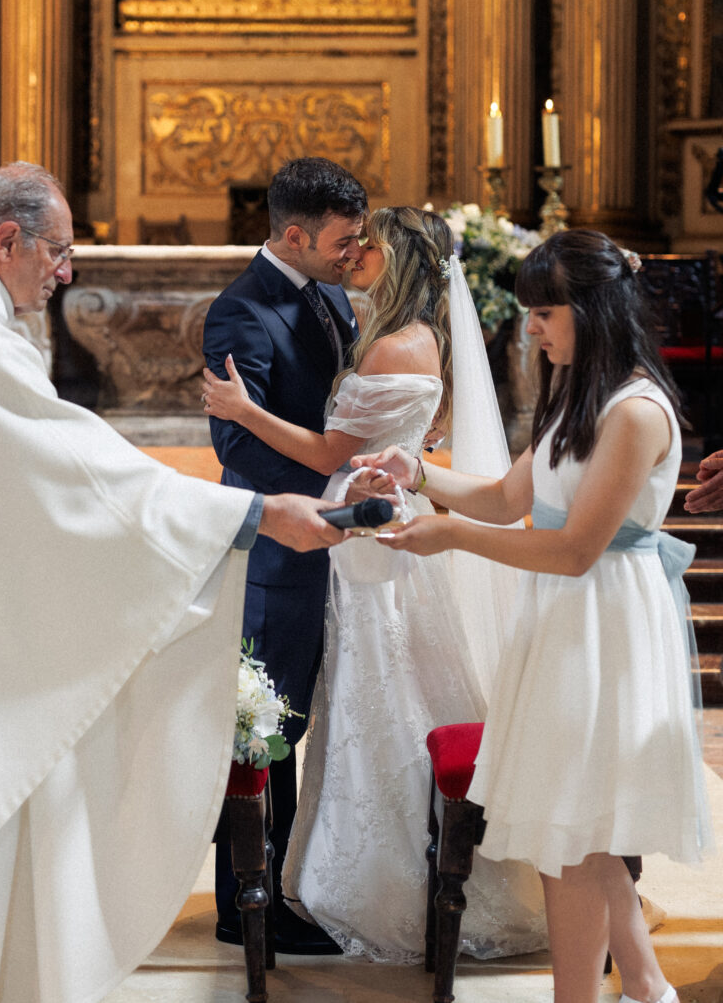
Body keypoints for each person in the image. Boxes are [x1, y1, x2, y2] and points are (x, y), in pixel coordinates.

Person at [0, 162, 344, 1003]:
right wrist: (252, 517)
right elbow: (76, 472)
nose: (67, 272)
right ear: (7, 240)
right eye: (56, 252)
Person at [354, 229, 715, 1003]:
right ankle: (647, 986)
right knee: (573, 819)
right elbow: (507, 499)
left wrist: (450, 536)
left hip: (604, 623)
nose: (533, 328)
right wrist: (418, 470)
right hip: (562, 621)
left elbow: (578, 548)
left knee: (570, 835)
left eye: (546, 312)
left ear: (593, 309)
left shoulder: (635, 410)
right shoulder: (577, 393)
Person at [202, 205, 548, 962]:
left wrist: (242, 409)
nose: (356, 252)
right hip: (365, 537)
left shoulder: (395, 346)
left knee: (386, 700)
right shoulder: (393, 333)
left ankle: (389, 878)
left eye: (369, 244)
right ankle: (378, 867)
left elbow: (332, 444)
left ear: (400, 261)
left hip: (374, 546)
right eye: (349, 240)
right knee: (375, 699)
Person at [202, 156, 367, 953]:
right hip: (278, 548)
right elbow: (238, 443)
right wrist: (337, 480)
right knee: (266, 730)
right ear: (294, 234)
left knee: (312, 718)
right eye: (341, 240)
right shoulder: (240, 313)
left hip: (341, 541)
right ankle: (247, 902)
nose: (351, 252)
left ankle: (297, 882)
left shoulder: (331, 293)